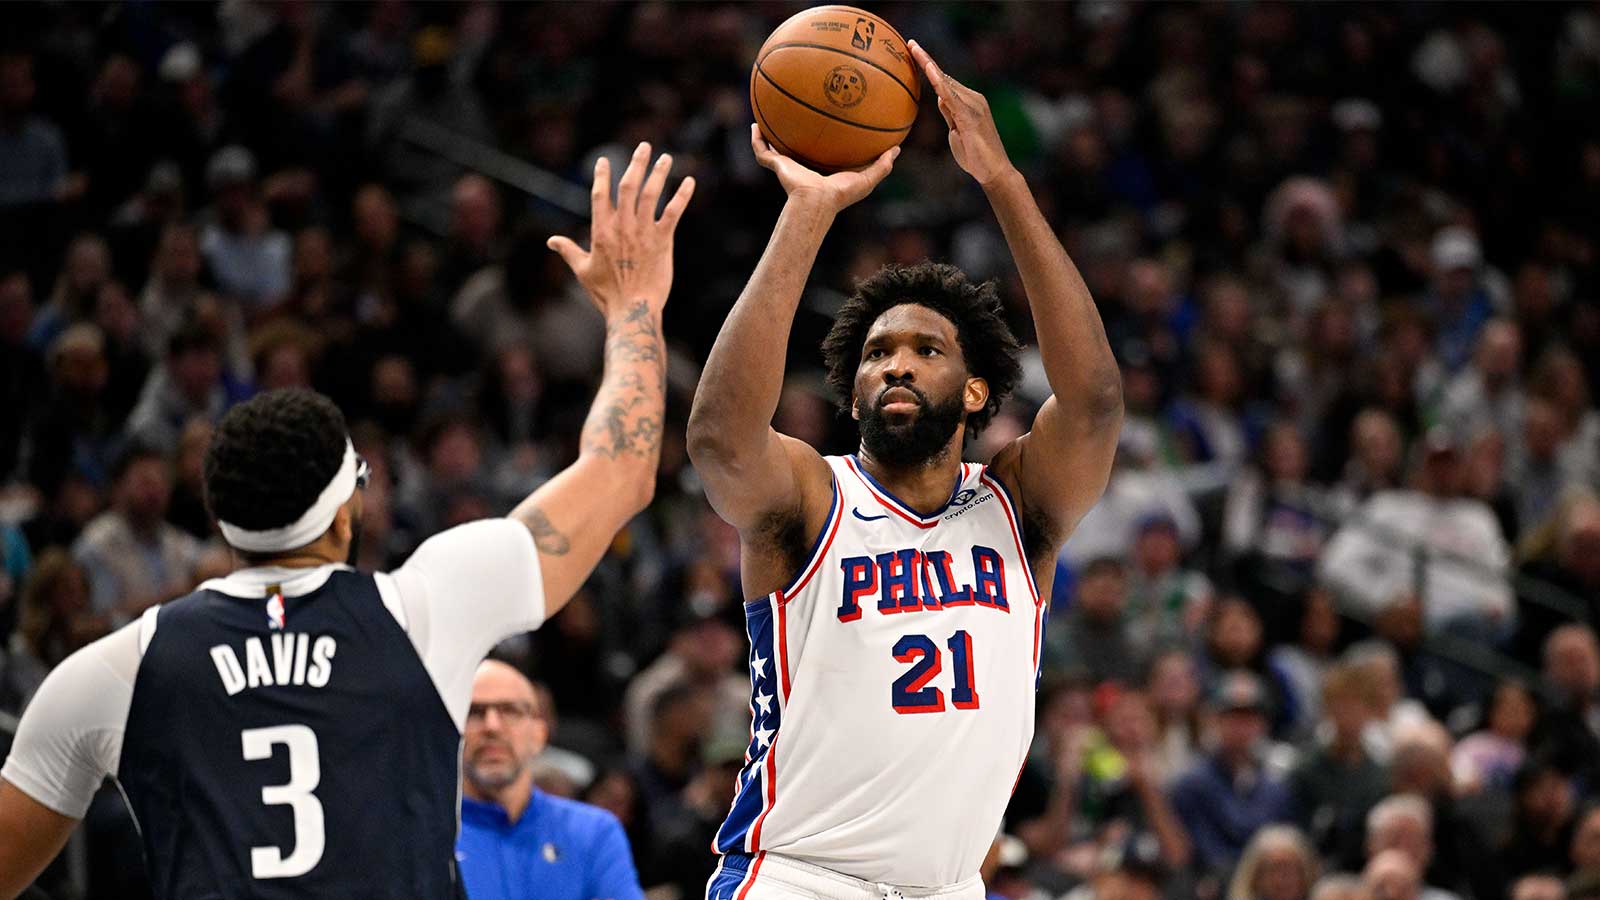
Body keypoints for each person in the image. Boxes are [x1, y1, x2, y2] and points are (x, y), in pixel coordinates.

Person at [0, 144, 694, 898]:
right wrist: (634, 310)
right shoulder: (425, 609)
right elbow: (622, 468)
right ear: (346, 509)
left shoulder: (118, 668)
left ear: (219, 517)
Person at [686, 42, 1122, 898]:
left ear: (975, 391)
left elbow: (1096, 400)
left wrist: (1001, 180)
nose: (896, 365)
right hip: (799, 879)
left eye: (926, 349)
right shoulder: (812, 499)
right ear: (850, 394)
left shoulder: (1020, 508)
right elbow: (720, 439)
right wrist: (809, 210)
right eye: (877, 352)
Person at [456, 660, 643, 900]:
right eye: (474, 712)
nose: (492, 726)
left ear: (539, 735)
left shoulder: (593, 833)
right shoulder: (424, 837)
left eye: (511, 711)